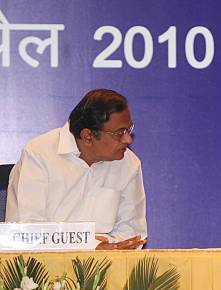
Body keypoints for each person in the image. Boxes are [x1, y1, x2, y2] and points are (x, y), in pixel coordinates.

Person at [6, 89, 147, 250]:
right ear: (87, 136)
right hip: (42, 267)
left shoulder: (129, 163)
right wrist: (90, 246)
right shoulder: (39, 154)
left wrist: (107, 249)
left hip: (106, 266)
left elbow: (133, 233)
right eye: (119, 133)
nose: (128, 139)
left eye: (129, 129)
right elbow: (29, 231)